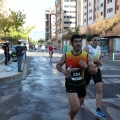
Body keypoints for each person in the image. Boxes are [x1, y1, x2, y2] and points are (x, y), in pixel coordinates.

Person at [56, 34, 97, 120]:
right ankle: (70, 118)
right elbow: (58, 65)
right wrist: (64, 71)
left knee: (76, 107)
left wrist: (87, 66)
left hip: (82, 85)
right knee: (75, 107)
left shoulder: (86, 56)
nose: (78, 43)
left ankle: (70, 118)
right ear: (72, 43)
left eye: (79, 42)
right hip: (71, 84)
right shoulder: (67, 55)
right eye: (76, 41)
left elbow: (94, 70)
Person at [83, 34, 106, 117]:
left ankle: (98, 110)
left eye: (98, 40)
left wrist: (100, 62)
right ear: (91, 40)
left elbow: (100, 58)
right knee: (85, 86)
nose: (97, 42)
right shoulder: (87, 48)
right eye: (95, 40)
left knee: (99, 89)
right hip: (88, 69)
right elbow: (83, 59)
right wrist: (94, 60)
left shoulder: (99, 48)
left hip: (96, 69)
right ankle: (82, 98)